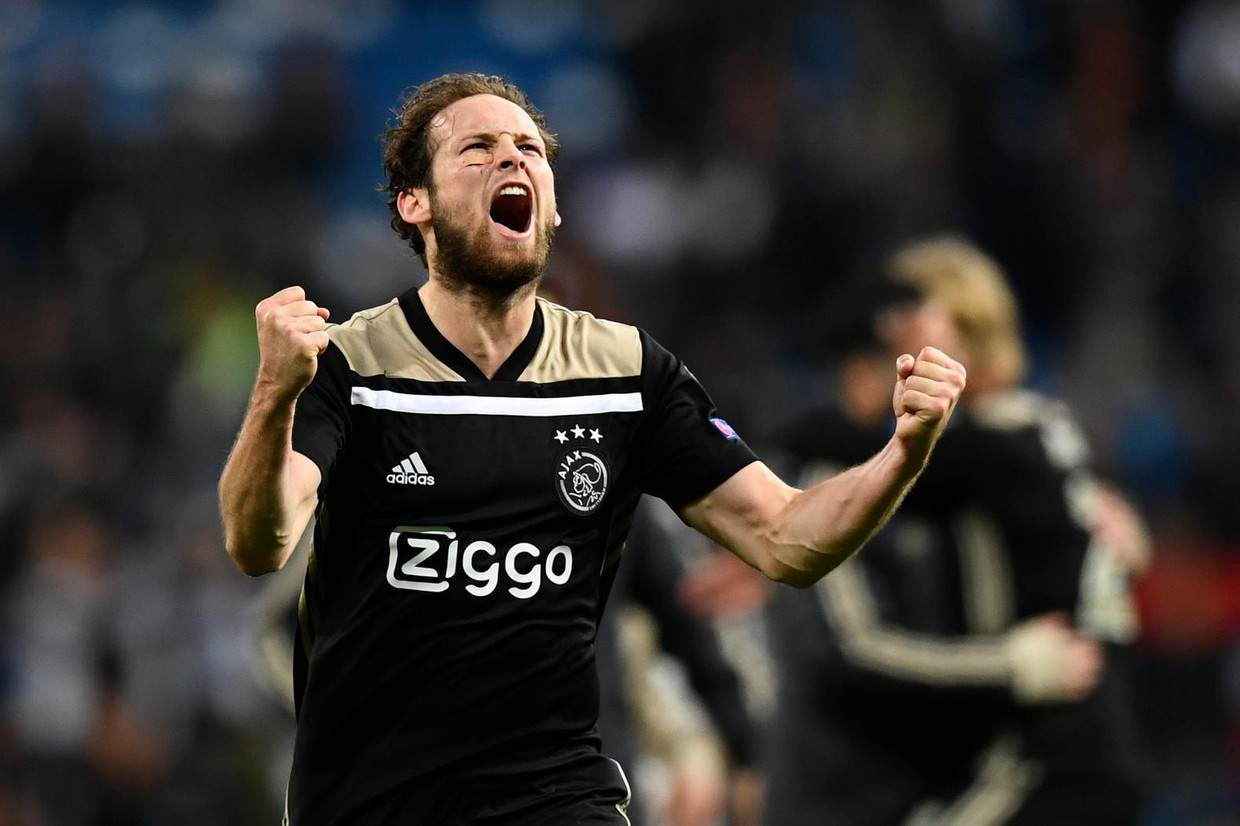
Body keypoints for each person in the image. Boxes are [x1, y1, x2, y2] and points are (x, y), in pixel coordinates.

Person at [217, 72, 966, 824]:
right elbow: (259, 541)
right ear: (417, 203)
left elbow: (785, 537)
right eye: (477, 149)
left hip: (557, 797)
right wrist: (274, 391)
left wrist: (902, 452)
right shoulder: (350, 366)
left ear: (552, 206)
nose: (512, 159)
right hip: (369, 805)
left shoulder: (627, 373)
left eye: (529, 150)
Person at [764, 237, 1145, 825]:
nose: (896, 341)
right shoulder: (1039, 428)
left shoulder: (987, 444)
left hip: (1045, 746)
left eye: (911, 321)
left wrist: (763, 497)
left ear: (965, 329)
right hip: (1086, 736)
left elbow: (864, 444)